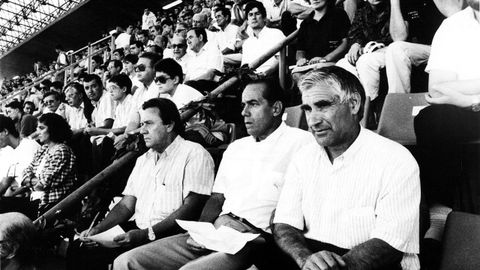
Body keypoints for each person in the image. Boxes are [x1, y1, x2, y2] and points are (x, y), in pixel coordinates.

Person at [113, 79, 315, 270]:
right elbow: (217, 198)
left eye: (253, 104)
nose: (244, 112)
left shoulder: (302, 143)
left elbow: (302, 203)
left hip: (253, 238)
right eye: (243, 105)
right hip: (217, 230)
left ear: (277, 108)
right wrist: (201, 231)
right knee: (128, 262)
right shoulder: (237, 147)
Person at [273, 67, 421, 269]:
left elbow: (389, 245)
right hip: (314, 258)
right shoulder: (303, 157)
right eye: (307, 109)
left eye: (323, 106)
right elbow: (284, 224)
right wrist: (305, 259)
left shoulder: (396, 159)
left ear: (353, 104)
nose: (313, 121)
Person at [67, 98, 215, 270]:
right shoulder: (144, 159)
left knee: (116, 260)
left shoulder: (194, 153)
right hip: (139, 228)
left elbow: (191, 208)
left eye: (149, 124)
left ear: (169, 125)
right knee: (78, 249)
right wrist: (98, 230)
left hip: (170, 233)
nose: (142, 130)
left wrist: (146, 235)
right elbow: (126, 205)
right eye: (142, 124)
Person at [414, 0, 480, 264]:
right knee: (432, 119)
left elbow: (450, 88)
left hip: (468, 104)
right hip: (465, 111)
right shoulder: (452, 26)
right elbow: (438, 88)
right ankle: (440, 212)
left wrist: (466, 96)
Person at [22, 113, 77, 215]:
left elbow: (43, 184)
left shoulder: (62, 151)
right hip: (36, 201)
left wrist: (29, 181)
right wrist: (32, 181)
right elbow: (25, 173)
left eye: (41, 128)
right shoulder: (43, 149)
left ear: (53, 129)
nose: (37, 132)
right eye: (37, 128)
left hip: (51, 207)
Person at [241, 1, 286, 78]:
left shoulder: (276, 33)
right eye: (250, 15)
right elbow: (245, 67)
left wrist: (264, 74)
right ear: (247, 21)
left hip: (271, 77)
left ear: (264, 18)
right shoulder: (247, 43)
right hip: (251, 79)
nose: (254, 17)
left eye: (257, 14)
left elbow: (281, 60)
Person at [0, 115, 40, 196]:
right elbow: (4, 182)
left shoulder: (29, 146)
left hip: (30, 196)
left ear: (5, 131)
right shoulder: (7, 150)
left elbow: (35, 180)